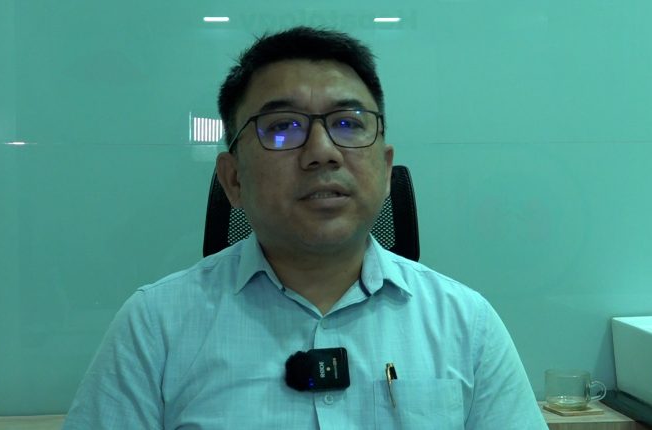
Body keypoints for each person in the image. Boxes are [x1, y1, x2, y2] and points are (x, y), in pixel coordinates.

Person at [63, 26, 548, 429]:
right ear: (233, 179)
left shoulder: (466, 324)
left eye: (349, 123)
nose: (322, 151)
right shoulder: (155, 326)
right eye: (283, 127)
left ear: (385, 170)